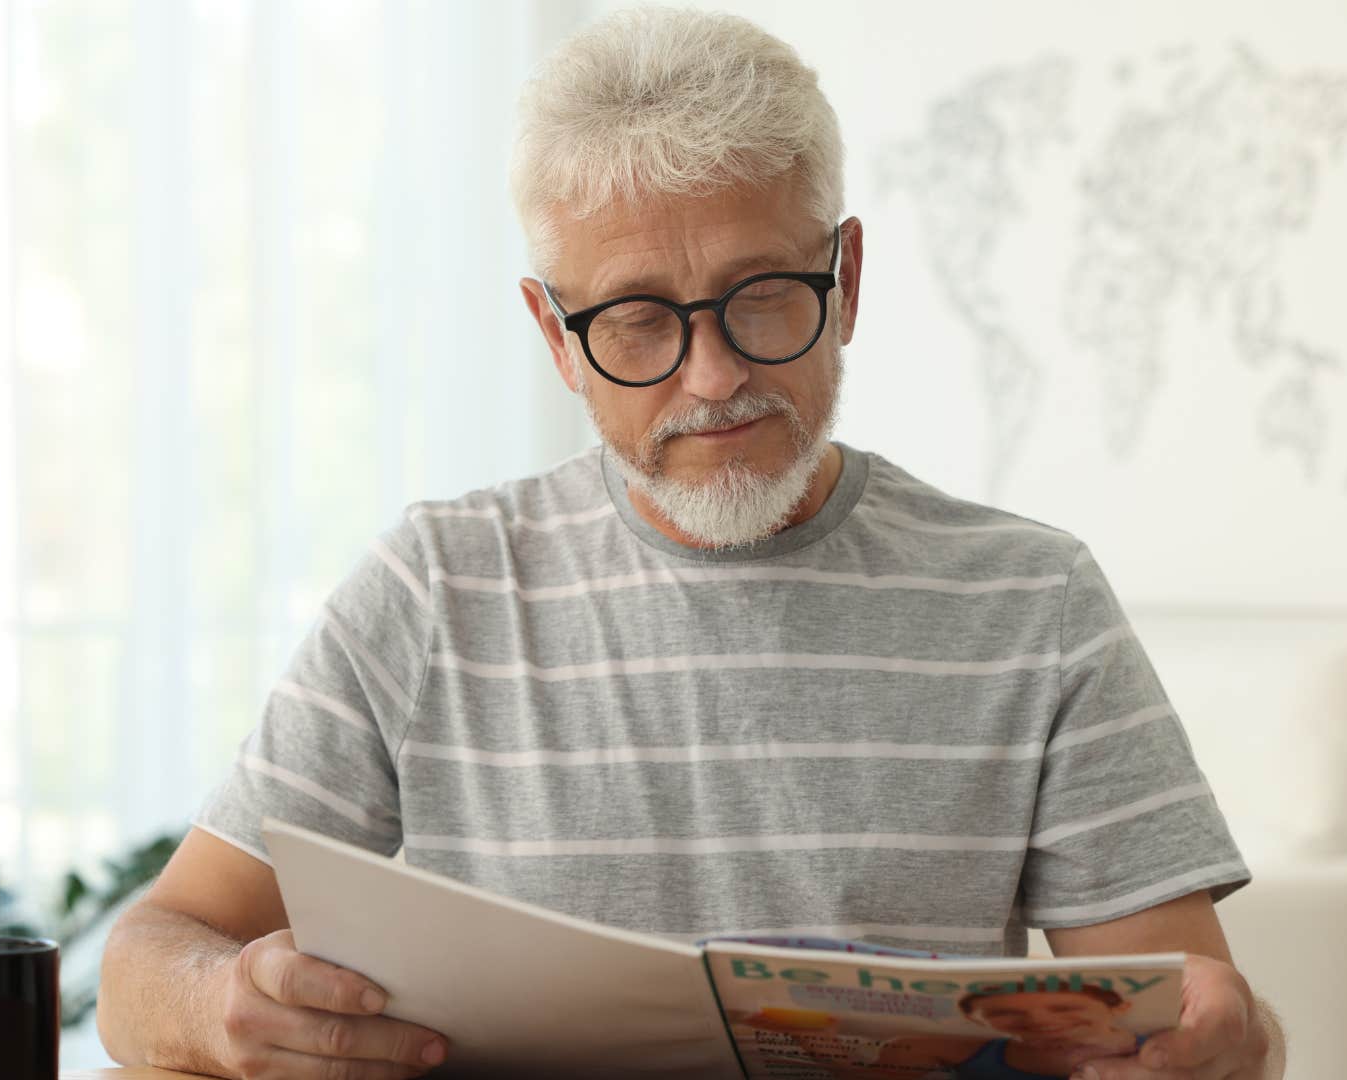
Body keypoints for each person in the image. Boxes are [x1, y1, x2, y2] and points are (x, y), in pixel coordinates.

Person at [95, 9, 1286, 1079]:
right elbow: (149, 956)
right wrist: (216, 1004)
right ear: (556, 338)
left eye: (761, 294)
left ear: (846, 279)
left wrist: (1226, 1050)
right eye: (637, 319)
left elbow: (1197, 1015)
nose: (713, 378)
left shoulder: (1034, 600)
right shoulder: (437, 587)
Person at [951, 986, 1146, 1079]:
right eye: (1005, 1012)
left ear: (1120, 1008)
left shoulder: (1155, 1046)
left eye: (1065, 1008)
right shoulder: (963, 1050)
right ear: (973, 1019)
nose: (1038, 1020)